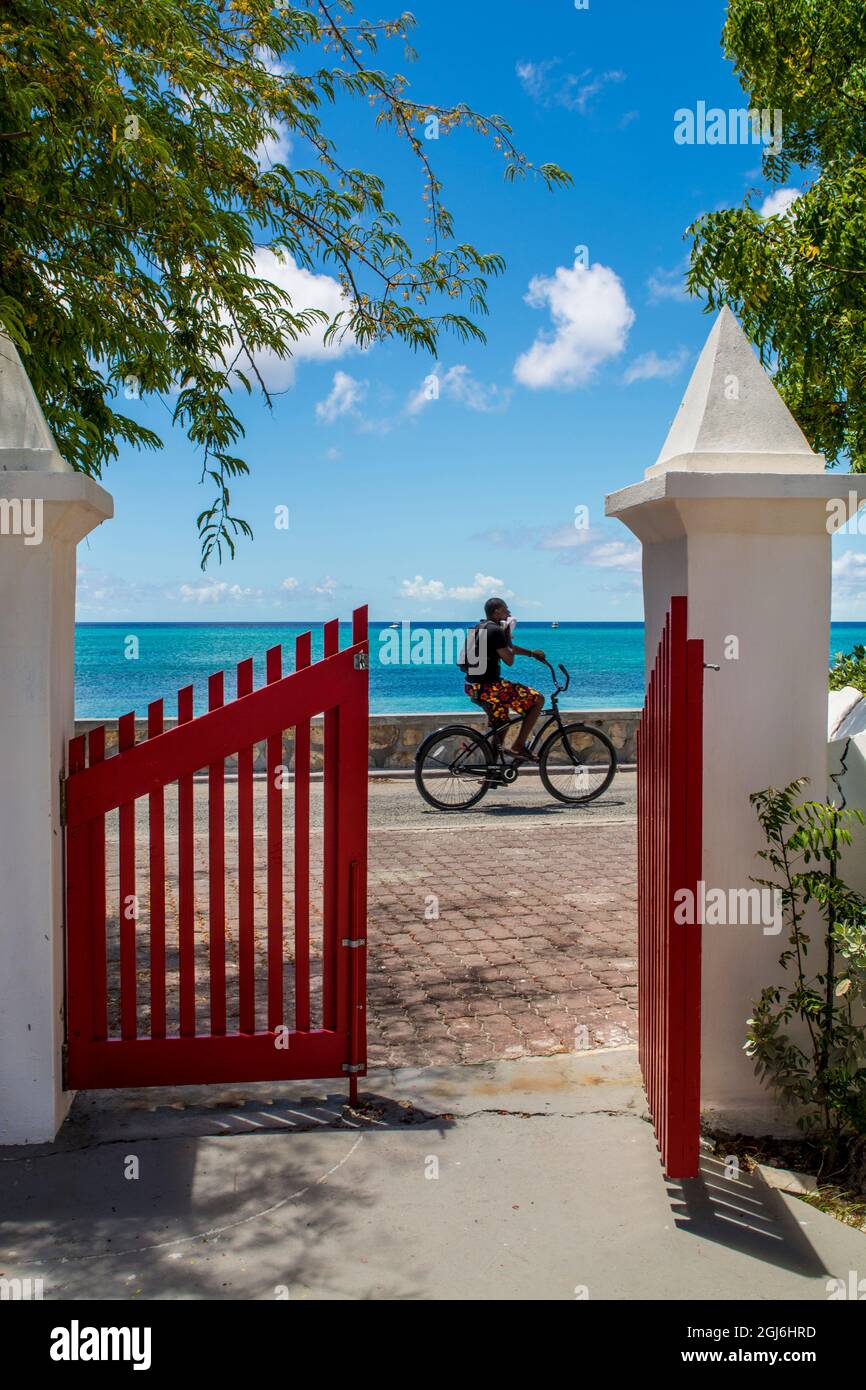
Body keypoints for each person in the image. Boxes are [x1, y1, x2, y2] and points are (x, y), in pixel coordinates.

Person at [459, 597, 546, 762]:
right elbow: (509, 659)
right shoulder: (497, 631)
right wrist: (507, 634)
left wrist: (532, 654)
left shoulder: (478, 628)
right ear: (497, 611)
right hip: (490, 688)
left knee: (502, 724)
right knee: (538, 700)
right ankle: (518, 747)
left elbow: (505, 649)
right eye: (506, 609)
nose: (509, 613)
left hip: (473, 686)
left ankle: (491, 773)